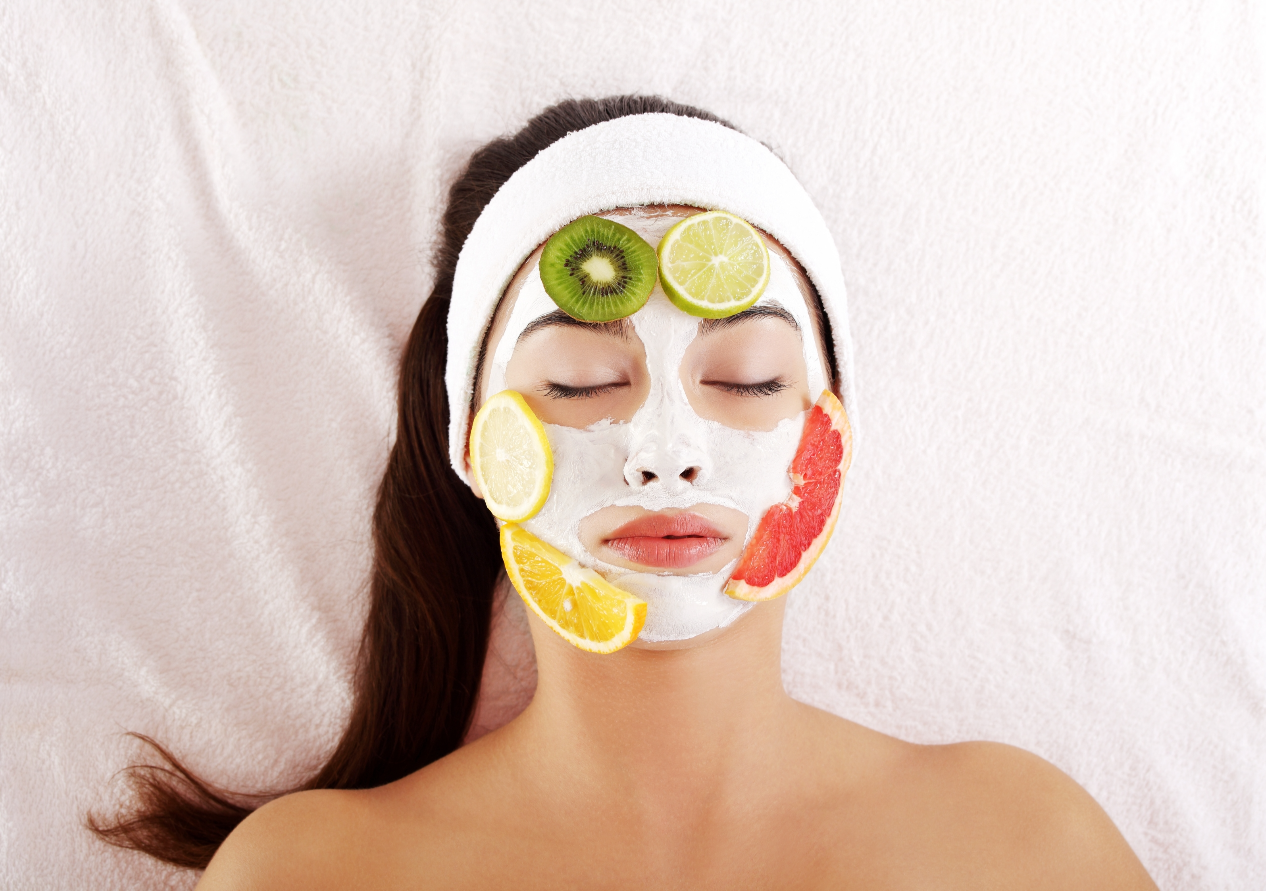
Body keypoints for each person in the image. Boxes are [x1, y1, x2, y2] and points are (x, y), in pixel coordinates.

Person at [93, 96, 1158, 888]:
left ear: (832, 436)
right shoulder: (313, 875)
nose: (666, 452)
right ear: (474, 444)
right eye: (580, 384)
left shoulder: (1022, 845)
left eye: (745, 382)